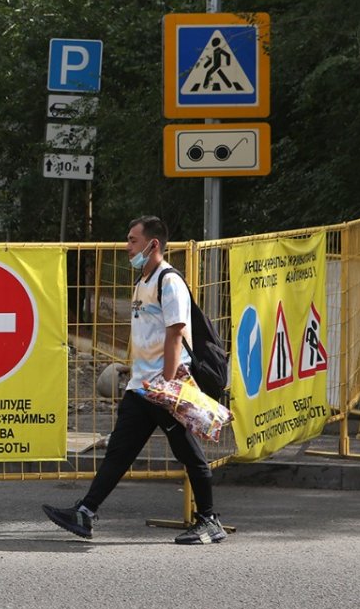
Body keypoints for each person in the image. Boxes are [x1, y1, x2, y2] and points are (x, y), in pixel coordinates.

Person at [43, 215, 227, 545]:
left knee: (189, 454)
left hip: (162, 388)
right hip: (141, 387)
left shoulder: (168, 281)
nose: (127, 247)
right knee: (119, 452)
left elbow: (175, 333)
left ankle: (210, 521)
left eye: (133, 241)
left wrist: (167, 386)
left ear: (153, 244)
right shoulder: (143, 281)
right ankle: (85, 512)